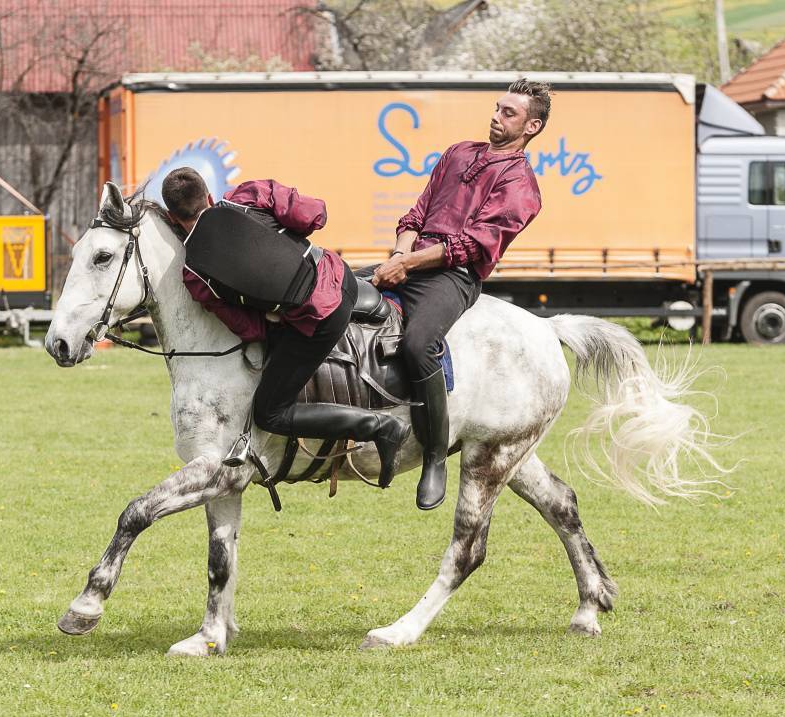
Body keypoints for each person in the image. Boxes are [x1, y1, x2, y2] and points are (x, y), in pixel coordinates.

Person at [161, 168, 409, 487]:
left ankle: (379, 427)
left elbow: (250, 330)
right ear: (209, 196)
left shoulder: (193, 274)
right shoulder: (248, 195)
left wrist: (273, 315)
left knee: (270, 413)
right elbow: (315, 215)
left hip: (318, 321)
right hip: (341, 277)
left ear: (172, 217)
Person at [367, 78, 548, 510]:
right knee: (334, 294)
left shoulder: (522, 186)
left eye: (508, 113)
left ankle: (434, 456)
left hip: (454, 276)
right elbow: (416, 213)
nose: (496, 116)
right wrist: (399, 255)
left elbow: (470, 246)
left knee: (418, 344)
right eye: (497, 108)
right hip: (409, 259)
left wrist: (407, 264)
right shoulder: (458, 153)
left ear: (532, 126)